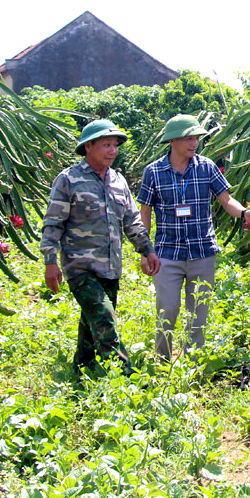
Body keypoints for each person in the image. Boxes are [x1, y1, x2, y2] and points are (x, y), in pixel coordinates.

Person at [138, 114, 250, 360]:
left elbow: (226, 199)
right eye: (189, 138)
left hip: (202, 251)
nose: (194, 143)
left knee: (199, 311)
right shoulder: (153, 172)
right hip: (167, 253)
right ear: (172, 141)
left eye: (196, 138)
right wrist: (146, 250)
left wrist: (244, 213)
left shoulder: (206, 166)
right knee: (168, 309)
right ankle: (163, 358)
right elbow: (145, 212)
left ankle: (193, 360)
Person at [41, 119, 161, 376]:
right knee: (105, 320)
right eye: (106, 145)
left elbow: (132, 221)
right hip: (80, 267)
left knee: (91, 322)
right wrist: (50, 262)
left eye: (115, 145)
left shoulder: (119, 181)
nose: (112, 150)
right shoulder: (69, 180)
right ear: (88, 147)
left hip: (111, 267)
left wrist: (147, 250)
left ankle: (80, 369)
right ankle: (125, 379)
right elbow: (53, 223)